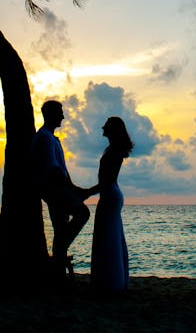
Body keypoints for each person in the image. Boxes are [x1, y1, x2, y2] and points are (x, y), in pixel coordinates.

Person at [31, 100, 97, 279]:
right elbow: (53, 171)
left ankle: (58, 261)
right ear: (51, 114)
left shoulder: (50, 137)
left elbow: (60, 170)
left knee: (61, 227)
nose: (63, 116)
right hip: (55, 191)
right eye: (60, 112)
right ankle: (59, 255)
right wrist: (74, 189)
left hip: (57, 190)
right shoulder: (44, 137)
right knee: (82, 214)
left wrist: (73, 188)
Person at [91, 116, 133, 292]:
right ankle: (112, 280)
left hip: (110, 194)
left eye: (107, 126)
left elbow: (106, 180)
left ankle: (110, 282)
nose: (103, 129)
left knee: (107, 237)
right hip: (111, 193)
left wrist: (85, 193)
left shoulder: (114, 151)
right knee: (111, 236)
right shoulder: (113, 149)